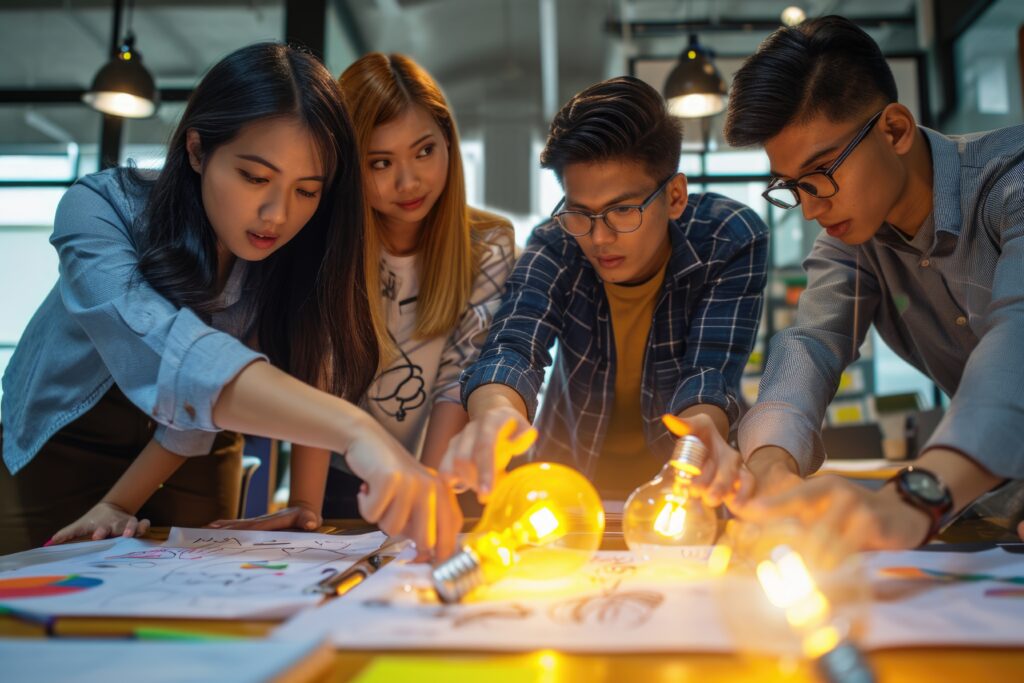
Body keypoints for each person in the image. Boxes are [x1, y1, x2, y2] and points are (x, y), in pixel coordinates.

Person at [0, 43, 458, 559]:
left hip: (196, 443)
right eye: (256, 177)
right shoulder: (98, 210)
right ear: (197, 150)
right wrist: (356, 431)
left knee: (199, 593)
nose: (276, 214)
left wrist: (120, 502)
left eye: (306, 190)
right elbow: (162, 349)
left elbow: (200, 411)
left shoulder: (288, 252)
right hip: (63, 437)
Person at [716, 15, 1024, 549]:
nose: (810, 209)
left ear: (895, 130)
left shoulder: (1011, 182)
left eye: (821, 174)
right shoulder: (855, 240)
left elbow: (1018, 335)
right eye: (793, 186)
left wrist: (914, 500)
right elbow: (811, 344)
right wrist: (770, 464)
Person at [439, 76, 769, 503]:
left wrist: (700, 436)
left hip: (681, 490)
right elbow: (514, 345)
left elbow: (709, 373)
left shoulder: (728, 238)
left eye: (622, 210)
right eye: (580, 212)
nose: (598, 238)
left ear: (674, 196)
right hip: (567, 484)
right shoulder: (557, 243)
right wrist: (495, 412)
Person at [221, 52, 516, 529]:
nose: (408, 181)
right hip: (345, 478)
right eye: (380, 162)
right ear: (348, 166)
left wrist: (429, 494)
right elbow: (320, 375)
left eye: (425, 151)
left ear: (448, 142)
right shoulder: (323, 243)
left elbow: (457, 378)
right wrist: (306, 505)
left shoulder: (489, 244)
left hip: (450, 477)